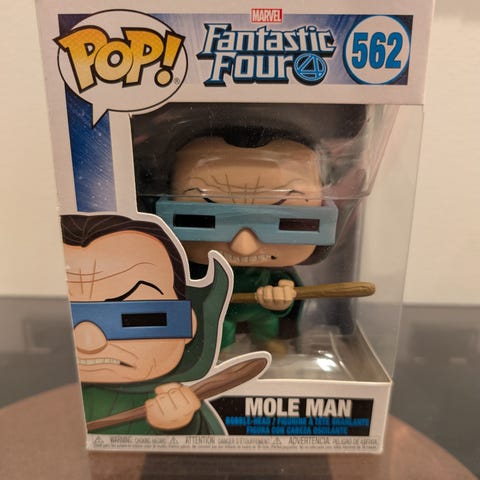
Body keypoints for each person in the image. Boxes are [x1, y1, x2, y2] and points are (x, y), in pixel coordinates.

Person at [163, 134, 333, 353]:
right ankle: (220, 350)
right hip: (221, 315)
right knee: (221, 329)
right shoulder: (198, 272)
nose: (243, 247)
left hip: (261, 313)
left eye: (283, 222)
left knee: (266, 322)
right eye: (204, 220)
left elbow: (286, 290)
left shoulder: (273, 273)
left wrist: (281, 299)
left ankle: (265, 341)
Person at [61, 214, 230, 434]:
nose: (88, 344)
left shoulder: (166, 398)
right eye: (59, 320)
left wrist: (182, 426)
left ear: (189, 322)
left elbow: (214, 448)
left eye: (135, 318)